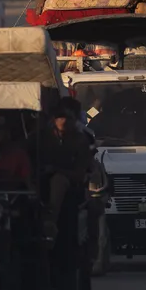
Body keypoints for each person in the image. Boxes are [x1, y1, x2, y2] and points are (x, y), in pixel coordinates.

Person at [40, 97, 92, 242]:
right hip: (40, 178)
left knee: (59, 181)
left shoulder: (80, 140)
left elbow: (80, 173)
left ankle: (51, 222)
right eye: (60, 116)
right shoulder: (41, 137)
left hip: (68, 182)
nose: (63, 121)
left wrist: (56, 170)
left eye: (68, 117)